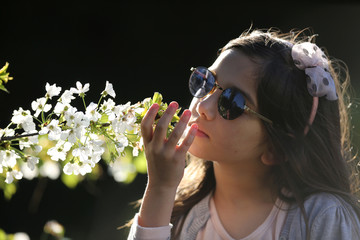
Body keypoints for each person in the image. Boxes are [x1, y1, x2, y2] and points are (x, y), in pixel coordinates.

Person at [126, 28, 360, 239]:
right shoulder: (176, 213)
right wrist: (160, 188)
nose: (203, 106)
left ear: (275, 149)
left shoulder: (324, 219)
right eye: (206, 81)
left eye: (232, 102)